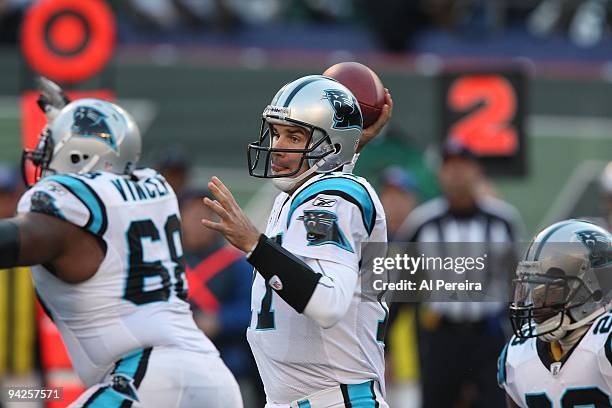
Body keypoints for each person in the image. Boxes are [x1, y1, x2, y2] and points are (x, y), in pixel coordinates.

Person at [0, 89, 242, 407]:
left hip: (145, 379)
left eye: (52, 153)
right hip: (212, 378)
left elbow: (16, 240)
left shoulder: (69, 211)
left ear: (77, 157)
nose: (43, 166)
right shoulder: (155, 189)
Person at [200, 75, 393, 407]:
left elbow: (327, 302)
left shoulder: (334, 197)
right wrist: (345, 145)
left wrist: (254, 244)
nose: (278, 146)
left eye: (294, 136)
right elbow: (328, 169)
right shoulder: (299, 194)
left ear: (331, 147)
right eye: (276, 133)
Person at [397, 140, 523, 407]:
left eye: (462, 165)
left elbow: (519, 287)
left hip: (488, 336)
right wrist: (383, 344)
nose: (456, 173)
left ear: (477, 170)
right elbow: (401, 287)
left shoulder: (503, 220)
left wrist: (524, 336)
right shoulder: (422, 223)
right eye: (449, 166)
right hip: (442, 335)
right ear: (440, 174)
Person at [499, 219, 612, 407]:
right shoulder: (518, 354)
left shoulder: (605, 341)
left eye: (550, 288)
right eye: (532, 288)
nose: (536, 303)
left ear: (594, 289)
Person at [180, 189, 265, 407]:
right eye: (191, 214)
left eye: (206, 214)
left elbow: (253, 311)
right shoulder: (169, 261)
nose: (199, 222)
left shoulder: (236, 262)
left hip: (228, 361)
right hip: (180, 362)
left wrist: (218, 321)